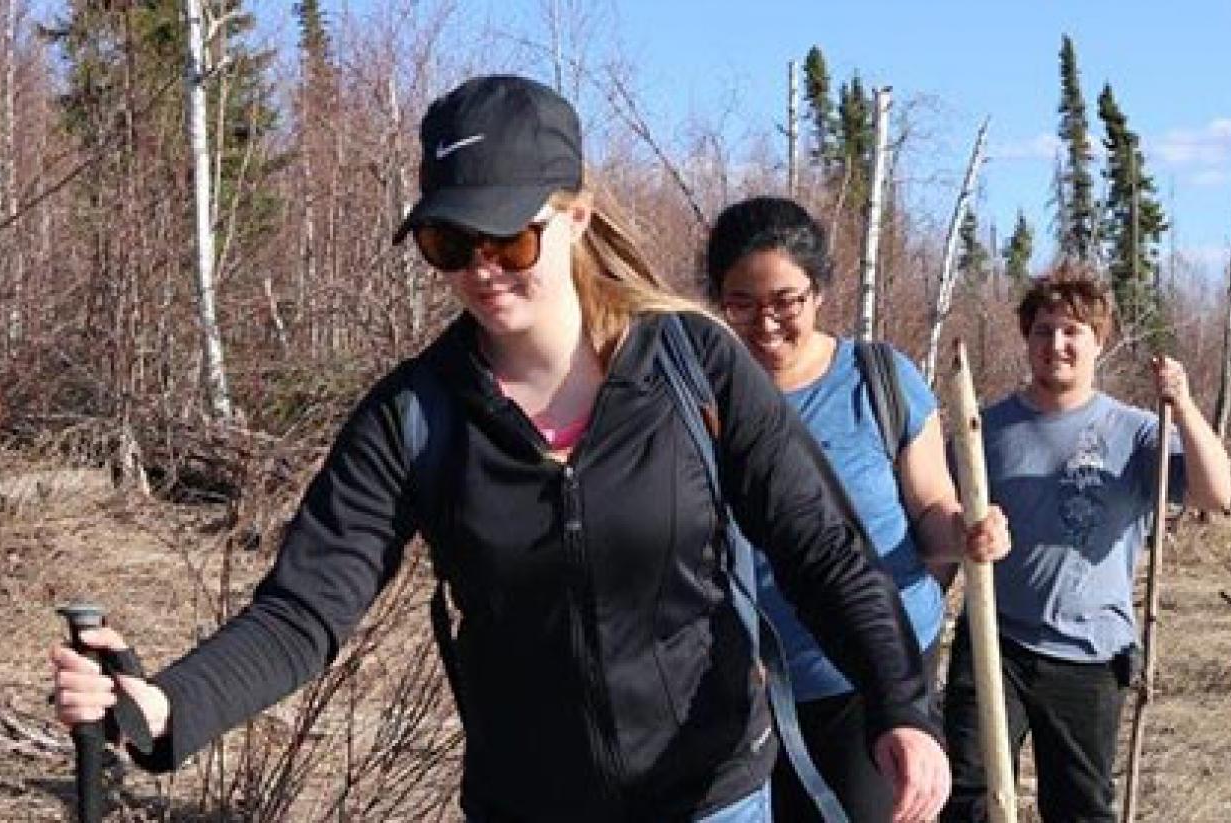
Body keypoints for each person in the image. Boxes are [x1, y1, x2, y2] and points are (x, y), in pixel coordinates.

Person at [50, 74, 950, 823]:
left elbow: (820, 545)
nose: (482, 267)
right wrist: (166, 705)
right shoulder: (417, 415)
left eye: (509, 236)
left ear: (576, 217)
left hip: (707, 793)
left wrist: (901, 708)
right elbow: (303, 611)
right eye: (449, 241)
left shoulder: (693, 363)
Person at [703, 196, 1008, 822]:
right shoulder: (704, 396)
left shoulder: (877, 380)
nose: (766, 323)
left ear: (819, 291)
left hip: (873, 684)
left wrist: (964, 532)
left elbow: (929, 509)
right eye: (742, 304)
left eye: (785, 300)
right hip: (749, 691)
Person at [939, 275, 1231, 823]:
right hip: (995, 642)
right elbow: (935, 529)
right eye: (1044, 331)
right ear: (1026, 340)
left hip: (1091, 655)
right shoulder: (983, 432)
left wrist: (1185, 406)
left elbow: (1216, 494)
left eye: (1072, 331)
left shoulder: (1137, 432)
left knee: (1079, 809)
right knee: (970, 797)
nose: (1057, 345)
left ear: (1099, 340)